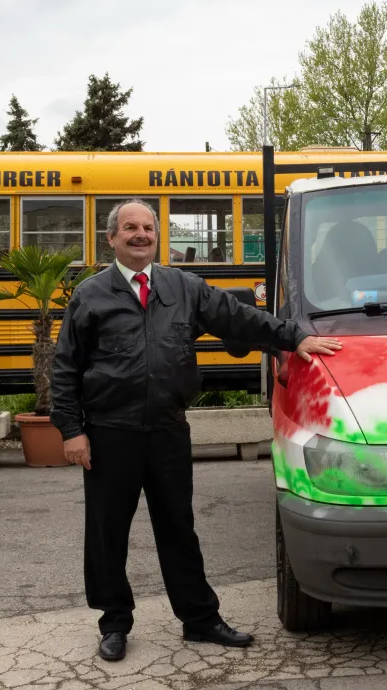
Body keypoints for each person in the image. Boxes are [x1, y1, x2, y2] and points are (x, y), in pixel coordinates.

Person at [50, 199, 343, 662]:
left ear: (157, 236)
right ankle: (114, 623)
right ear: (112, 238)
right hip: (109, 433)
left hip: (168, 430)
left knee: (178, 529)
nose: (141, 235)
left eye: (148, 228)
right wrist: (71, 430)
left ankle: (200, 620)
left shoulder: (183, 287)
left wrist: (293, 335)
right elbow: (65, 367)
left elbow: (238, 317)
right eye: (130, 228)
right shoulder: (90, 295)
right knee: (108, 534)